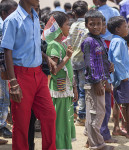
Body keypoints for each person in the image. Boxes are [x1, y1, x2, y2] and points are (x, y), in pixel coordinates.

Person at [1, 0, 56, 149]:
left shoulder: (35, 16)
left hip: (38, 74)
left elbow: (35, 44)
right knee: (21, 124)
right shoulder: (12, 20)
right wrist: (13, 82)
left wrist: (46, 58)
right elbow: (7, 50)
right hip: (20, 76)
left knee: (49, 116)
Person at [82, 9, 114, 150]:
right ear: (86, 25)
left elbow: (101, 60)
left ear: (103, 25)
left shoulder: (100, 40)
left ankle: (91, 140)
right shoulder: (89, 41)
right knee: (97, 114)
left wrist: (109, 67)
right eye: (92, 24)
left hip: (101, 81)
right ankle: (98, 145)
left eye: (98, 24)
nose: (95, 27)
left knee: (97, 113)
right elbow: (89, 64)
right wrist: (96, 82)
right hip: (94, 83)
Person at [45, 12, 78, 150]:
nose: (69, 27)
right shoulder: (54, 45)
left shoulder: (62, 44)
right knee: (60, 121)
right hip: (59, 90)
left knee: (66, 119)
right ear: (58, 27)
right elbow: (54, 71)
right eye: (67, 24)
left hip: (66, 89)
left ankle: (65, 146)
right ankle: (59, 146)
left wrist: (74, 88)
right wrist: (67, 58)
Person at [68, 0, 88, 126]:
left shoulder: (72, 25)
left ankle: (74, 112)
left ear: (73, 12)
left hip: (72, 60)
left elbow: (69, 42)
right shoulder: (87, 26)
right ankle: (81, 116)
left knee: (73, 87)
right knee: (82, 89)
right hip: (82, 60)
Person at [0, 0, 18, 139]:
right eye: (13, 12)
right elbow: (3, 50)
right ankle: (2, 126)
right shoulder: (3, 25)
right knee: (3, 97)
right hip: (2, 67)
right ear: (4, 13)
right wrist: (4, 68)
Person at [100, 16, 117, 144]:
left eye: (104, 24)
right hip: (102, 81)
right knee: (104, 109)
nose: (104, 27)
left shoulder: (103, 41)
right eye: (102, 24)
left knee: (104, 108)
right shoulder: (97, 42)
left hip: (105, 79)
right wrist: (105, 80)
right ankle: (104, 135)